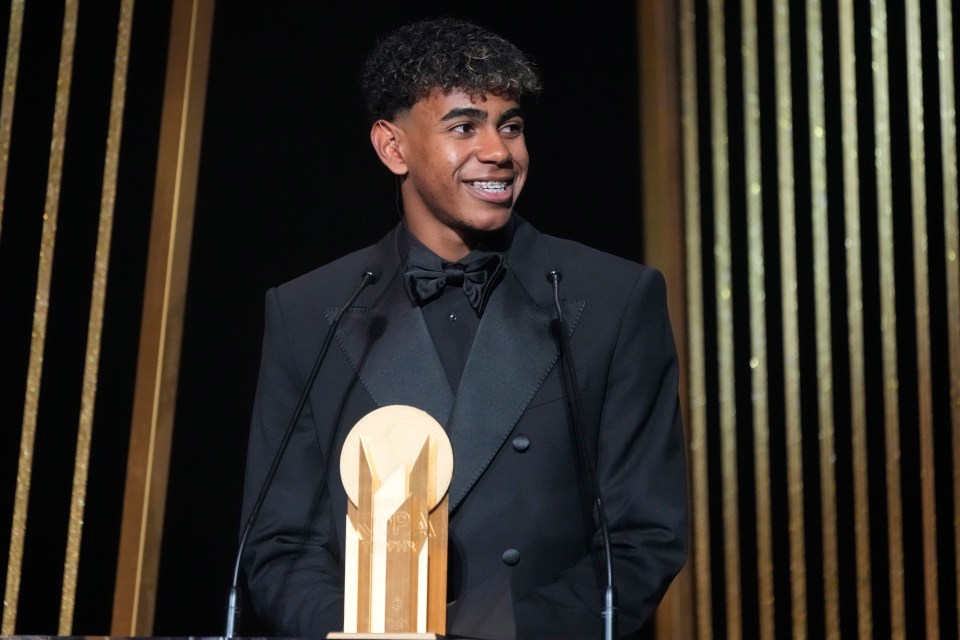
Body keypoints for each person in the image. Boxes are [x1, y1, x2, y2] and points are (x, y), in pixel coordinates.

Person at [240, 16, 688, 639]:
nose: (499, 151)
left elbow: (645, 537)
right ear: (392, 147)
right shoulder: (308, 310)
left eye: (510, 125)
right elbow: (278, 545)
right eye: (463, 127)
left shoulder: (613, 298)